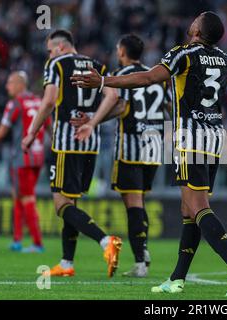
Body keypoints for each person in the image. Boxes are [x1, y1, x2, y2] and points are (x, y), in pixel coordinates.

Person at [71, 11, 227, 297]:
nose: (191, 21)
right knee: (188, 210)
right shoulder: (226, 59)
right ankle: (177, 278)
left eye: (196, 19)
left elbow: (147, 78)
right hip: (215, 138)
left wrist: (104, 82)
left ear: (197, 29)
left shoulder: (184, 53)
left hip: (191, 138)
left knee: (196, 206)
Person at [21, 29, 122, 277]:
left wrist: (32, 132)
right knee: (72, 201)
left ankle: (105, 241)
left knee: (60, 204)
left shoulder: (56, 63)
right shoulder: (97, 65)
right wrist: (93, 122)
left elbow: (48, 101)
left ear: (59, 47)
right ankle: (67, 263)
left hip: (66, 142)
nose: (48, 53)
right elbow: (115, 96)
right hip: (90, 142)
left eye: (49, 49)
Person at [71, 34, 170, 277]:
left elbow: (121, 105)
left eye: (118, 49)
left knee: (133, 203)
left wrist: (92, 121)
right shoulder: (157, 75)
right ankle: (143, 251)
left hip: (132, 145)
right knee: (141, 200)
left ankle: (140, 261)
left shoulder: (122, 75)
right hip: (154, 146)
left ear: (123, 52)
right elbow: (168, 107)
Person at [0, 71, 48, 253]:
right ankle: (17, 239)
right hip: (38, 157)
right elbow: (49, 126)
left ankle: (37, 243)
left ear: (20, 84)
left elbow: (3, 129)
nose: (7, 86)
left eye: (10, 83)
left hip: (22, 157)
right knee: (18, 195)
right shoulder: (38, 101)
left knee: (26, 198)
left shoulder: (16, 103)